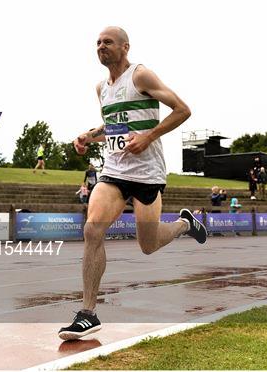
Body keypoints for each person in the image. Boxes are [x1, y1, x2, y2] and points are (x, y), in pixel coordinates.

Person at [58, 26, 207, 341]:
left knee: (148, 245)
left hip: (147, 174)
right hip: (113, 172)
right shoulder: (101, 88)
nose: (101, 46)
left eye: (108, 42)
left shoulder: (141, 76)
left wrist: (149, 136)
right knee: (92, 229)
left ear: (125, 47)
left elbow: (183, 110)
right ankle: (88, 314)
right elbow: (113, 125)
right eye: (97, 42)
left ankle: (183, 224)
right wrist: (89, 135)